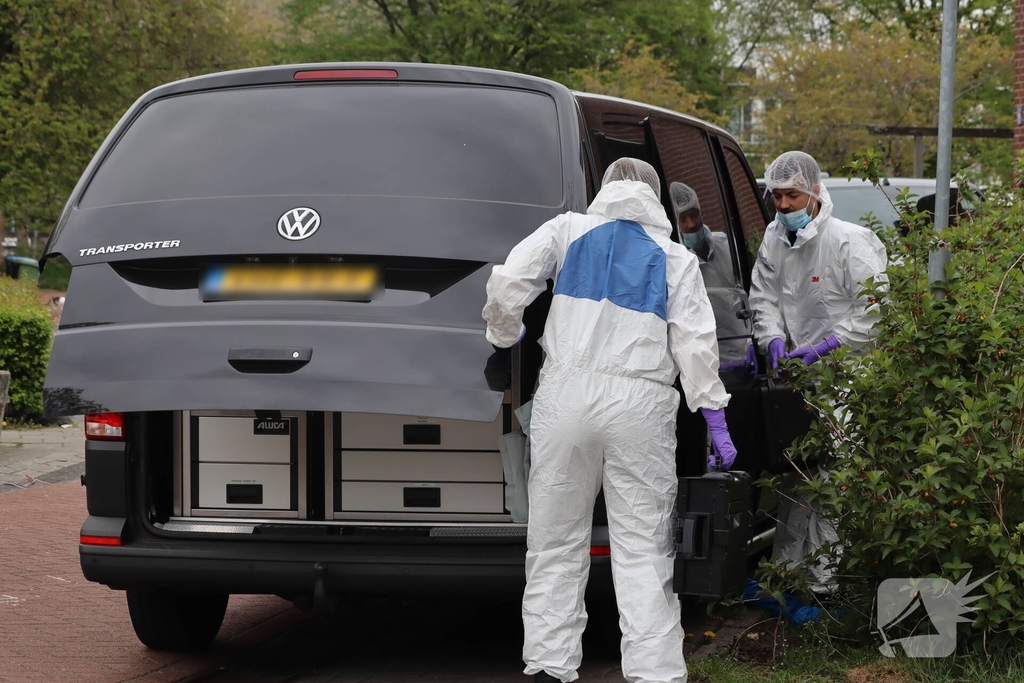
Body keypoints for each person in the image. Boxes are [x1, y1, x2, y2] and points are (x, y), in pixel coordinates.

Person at [482, 158, 738, 683]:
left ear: (605, 189)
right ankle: (656, 670)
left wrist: (505, 334)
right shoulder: (674, 259)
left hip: (566, 396)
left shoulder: (566, 228)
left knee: (555, 540)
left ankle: (552, 663)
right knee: (643, 545)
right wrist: (713, 415)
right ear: (655, 197)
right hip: (640, 405)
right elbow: (694, 343)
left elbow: (508, 283)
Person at [749, 150, 888, 593]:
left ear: (813, 193)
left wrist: (828, 346)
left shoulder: (850, 241)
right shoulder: (774, 238)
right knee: (798, 475)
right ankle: (787, 579)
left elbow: (877, 311)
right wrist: (770, 338)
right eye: (777, 197)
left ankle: (829, 589)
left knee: (836, 481)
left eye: (792, 195)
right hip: (799, 381)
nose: (784, 205)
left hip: (847, 381)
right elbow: (763, 297)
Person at [669, 182, 752, 369]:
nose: (691, 224)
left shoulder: (726, 246)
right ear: (675, 222)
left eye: (694, 215)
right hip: (705, 356)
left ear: (701, 212)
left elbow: (747, 293)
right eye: (683, 219)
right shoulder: (676, 260)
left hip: (742, 346)